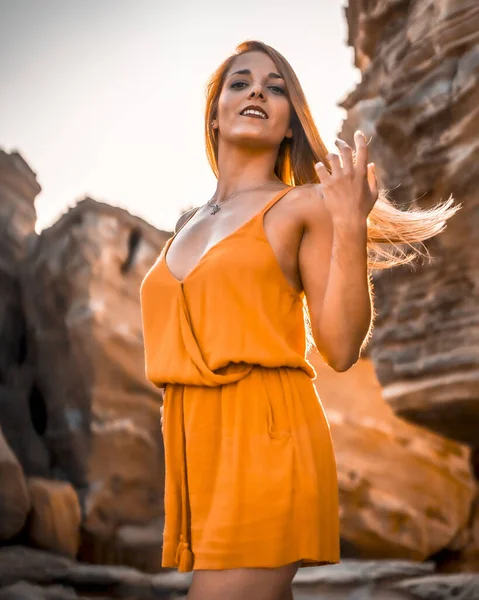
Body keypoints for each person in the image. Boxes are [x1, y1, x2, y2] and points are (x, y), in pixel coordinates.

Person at [139, 40, 459, 600]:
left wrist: (351, 224)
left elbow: (338, 347)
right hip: (199, 450)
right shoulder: (187, 223)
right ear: (213, 116)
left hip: (269, 435)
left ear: (290, 124)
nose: (257, 90)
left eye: (276, 86)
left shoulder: (300, 207)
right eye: (239, 83)